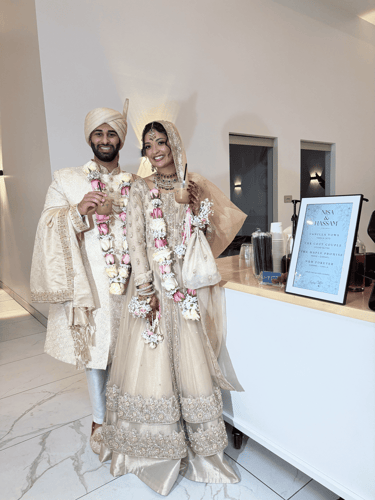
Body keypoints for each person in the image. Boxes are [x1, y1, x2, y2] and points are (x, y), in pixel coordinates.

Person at [99, 120, 247, 496]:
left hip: (185, 284)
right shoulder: (139, 187)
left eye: (160, 141)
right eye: (148, 145)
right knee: (153, 362)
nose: (155, 149)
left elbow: (209, 233)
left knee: (190, 360)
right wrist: (147, 288)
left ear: (173, 144)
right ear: (145, 153)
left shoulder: (191, 183)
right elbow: (136, 238)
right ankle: (154, 453)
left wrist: (193, 207)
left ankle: (202, 453)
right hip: (154, 282)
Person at [30, 100, 137, 454]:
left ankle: (131, 413)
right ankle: (99, 417)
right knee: (97, 351)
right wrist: (77, 211)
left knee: (134, 350)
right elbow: (47, 222)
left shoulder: (134, 182)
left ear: (120, 140)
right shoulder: (66, 178)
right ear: (90, 139)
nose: (105, 139)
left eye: (112, 133)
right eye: (99, 133)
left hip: (133, 278)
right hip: (90, 279)